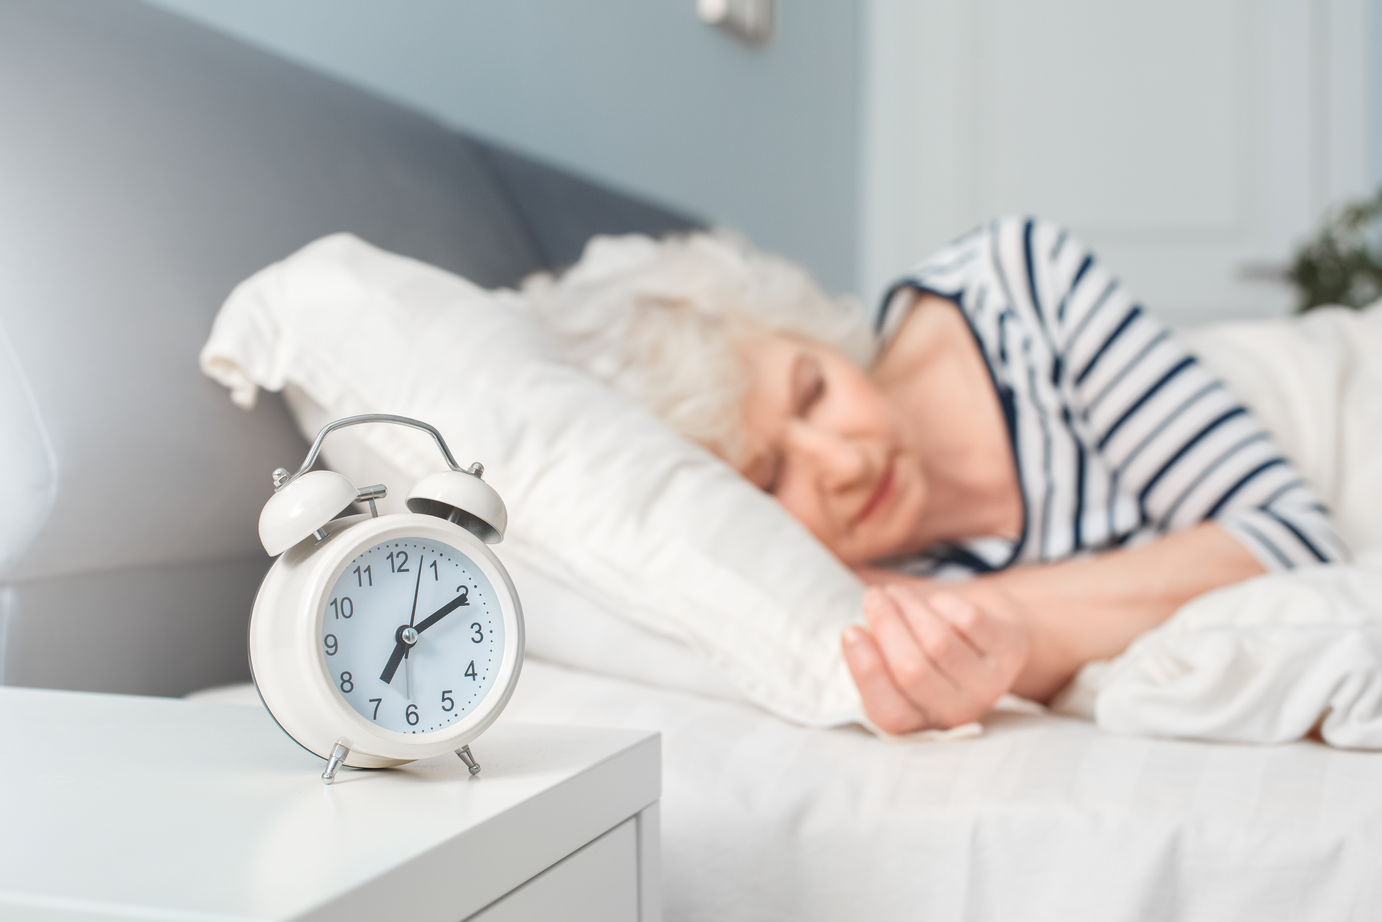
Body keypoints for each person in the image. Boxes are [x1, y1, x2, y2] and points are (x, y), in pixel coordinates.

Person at [524, 218, 1346, 733]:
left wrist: (1010, 627)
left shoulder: (1016, 287)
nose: (844, 462)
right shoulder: (820, 589)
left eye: (814, 388)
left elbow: (1297, 537)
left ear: (811, 331)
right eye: (772, 479)